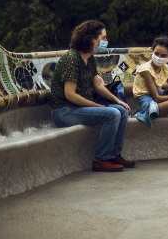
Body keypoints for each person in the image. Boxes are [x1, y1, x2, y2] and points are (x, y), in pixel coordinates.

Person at [49, 20, 135, 172]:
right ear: (91, 39)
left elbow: (98, 86)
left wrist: (118, 101)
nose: (106, 41)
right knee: (112, 114)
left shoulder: (89, 58)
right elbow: (70, 95)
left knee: (121, 110)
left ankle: (114, 154)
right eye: (103, 38)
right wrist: (98, 106)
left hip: (77, 108)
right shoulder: (72, 59)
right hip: (64, 111)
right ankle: (101, 159)